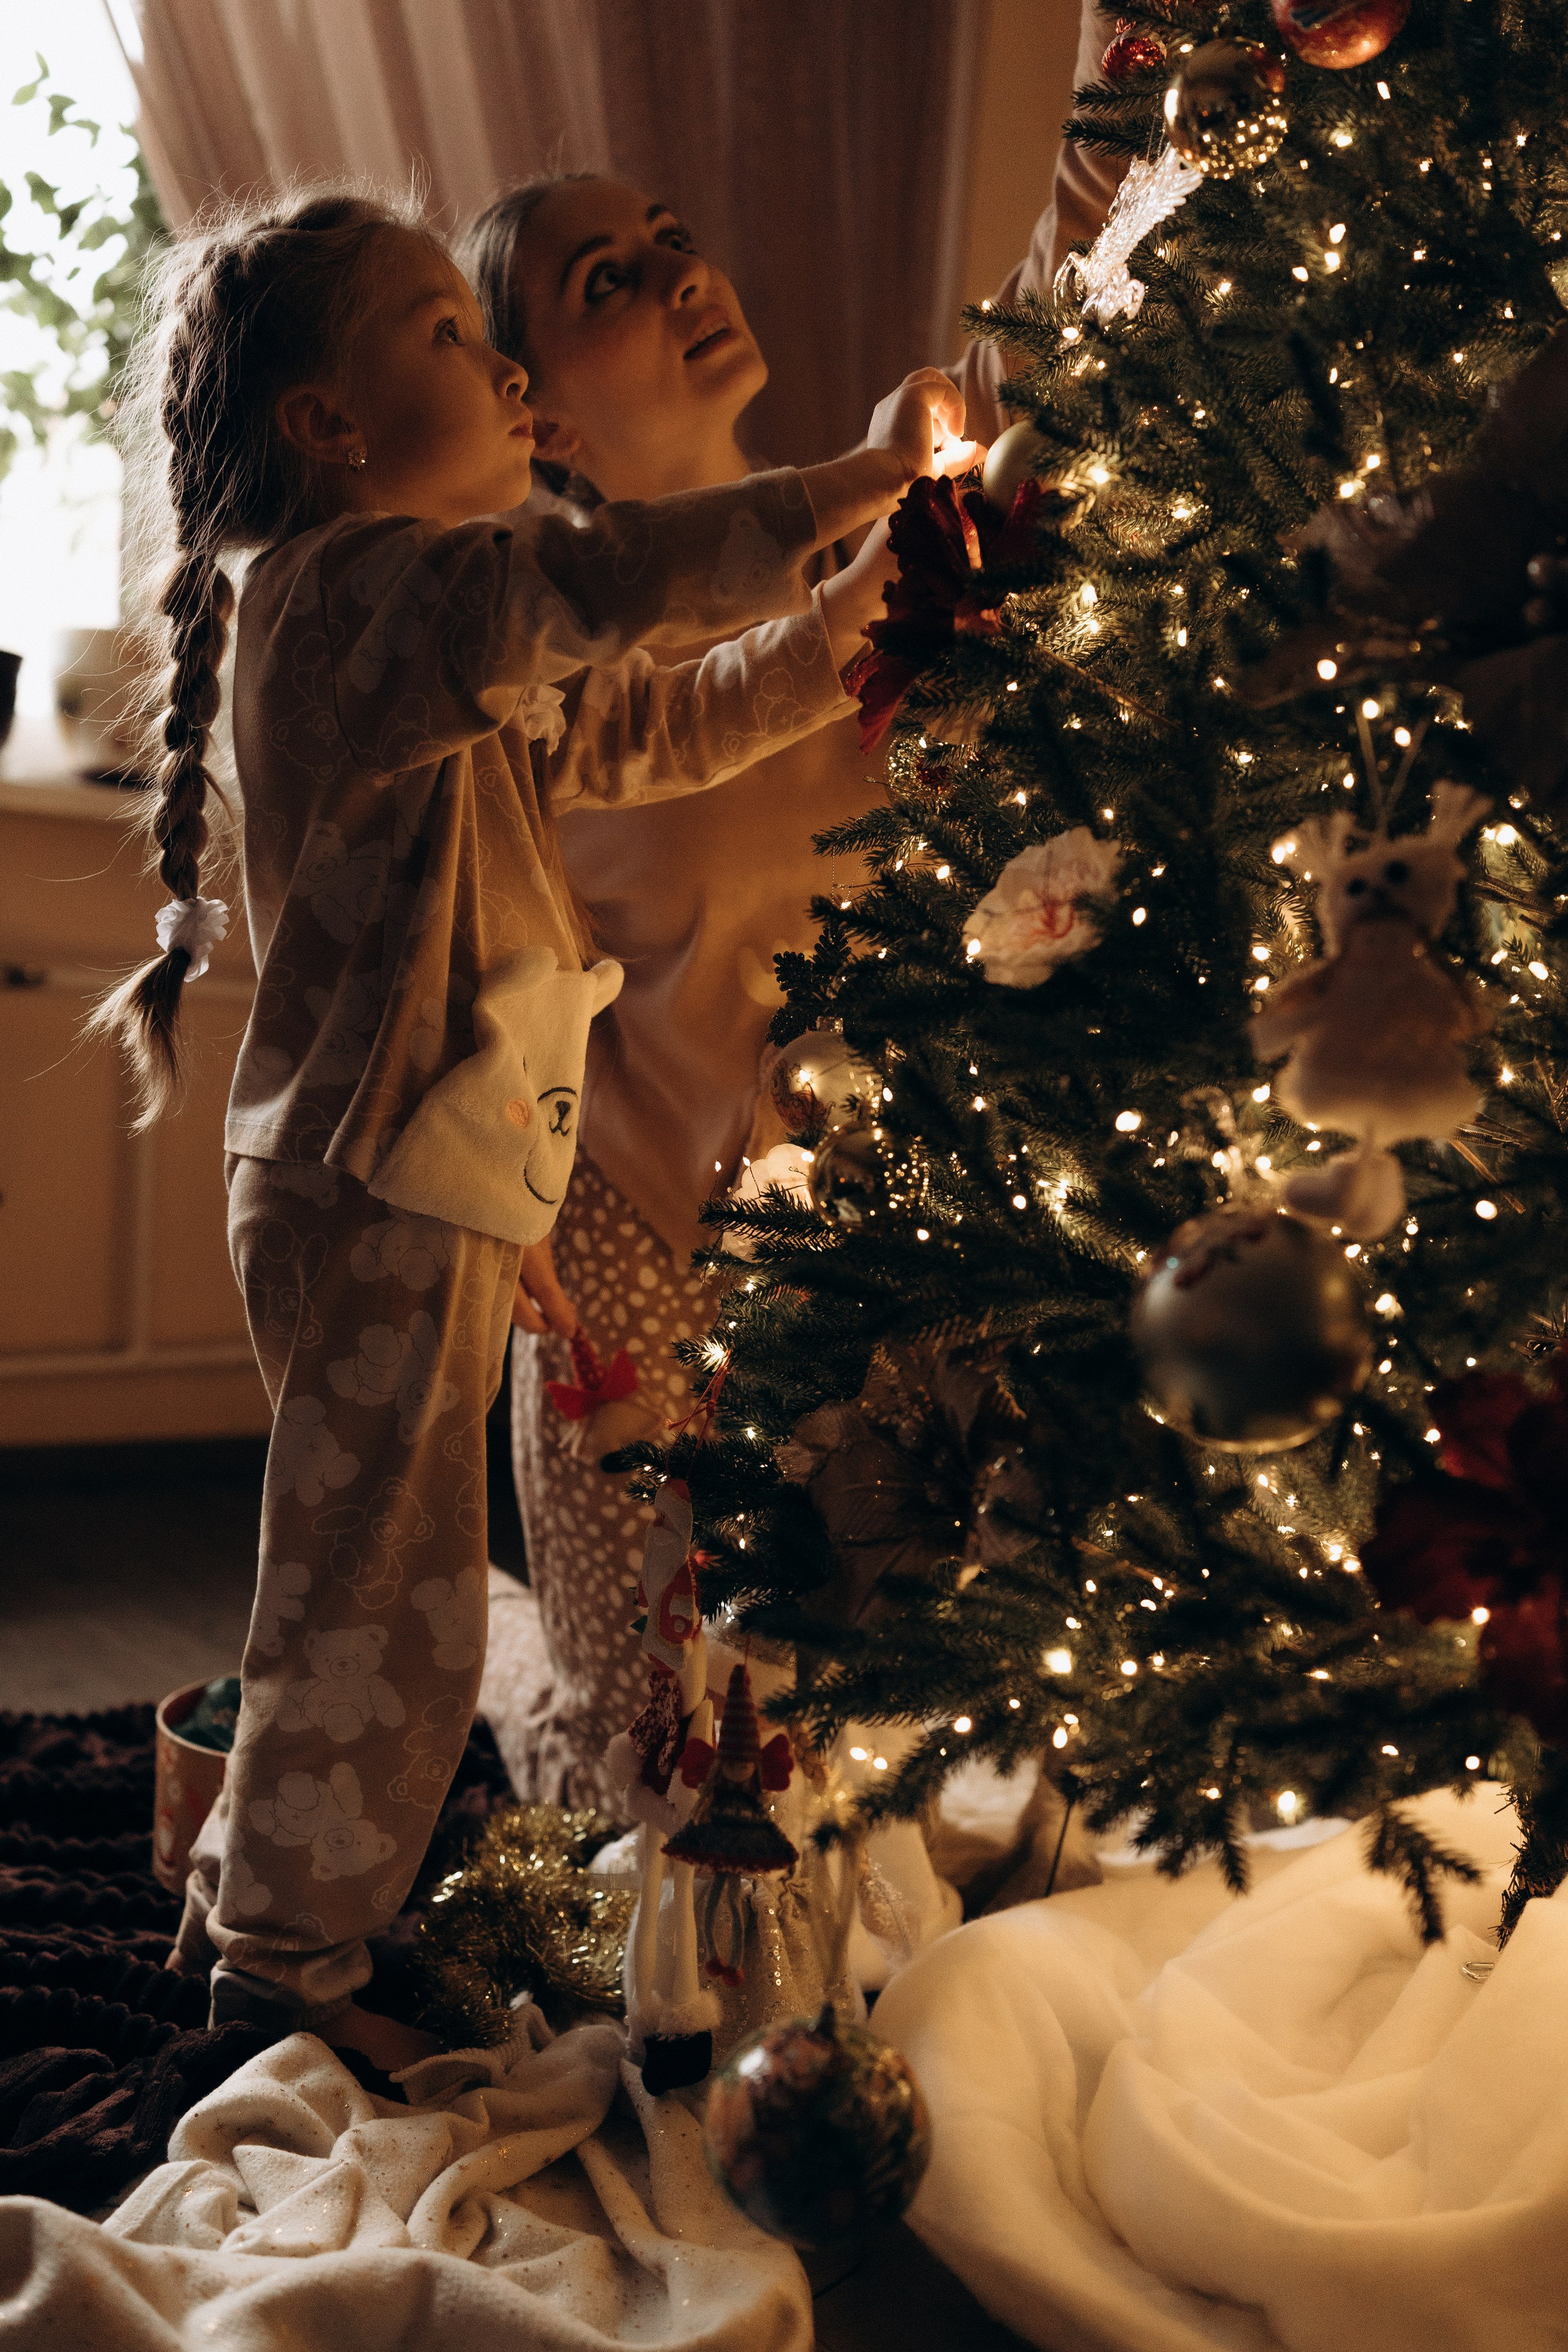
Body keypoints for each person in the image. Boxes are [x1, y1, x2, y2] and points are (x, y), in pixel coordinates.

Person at [93, 183, 968, 2068]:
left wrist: (870, 599)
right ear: (326, 426)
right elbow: (604, 584)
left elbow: (661, 724)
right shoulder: (344, 601)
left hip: (431, 1170)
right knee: (375, 1595)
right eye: (437, 336)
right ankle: (282, 1984)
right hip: (372, 1180)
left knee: (370, 1574)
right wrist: (857, 479)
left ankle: (253, 1897)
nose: (490, 362)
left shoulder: (434, 646)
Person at [462, 97, 1126, 1816]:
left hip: (900, 1250)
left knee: (895, 1783)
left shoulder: (892, 537)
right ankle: (505, 1665)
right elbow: (479, 982)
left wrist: (1116, 115)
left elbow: (1057, 315)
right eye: (614, 276)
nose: (683, 276)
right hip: (645, 1272)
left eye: (676, 238)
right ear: (530, 409)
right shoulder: (541, 657)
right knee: (660, 1812)